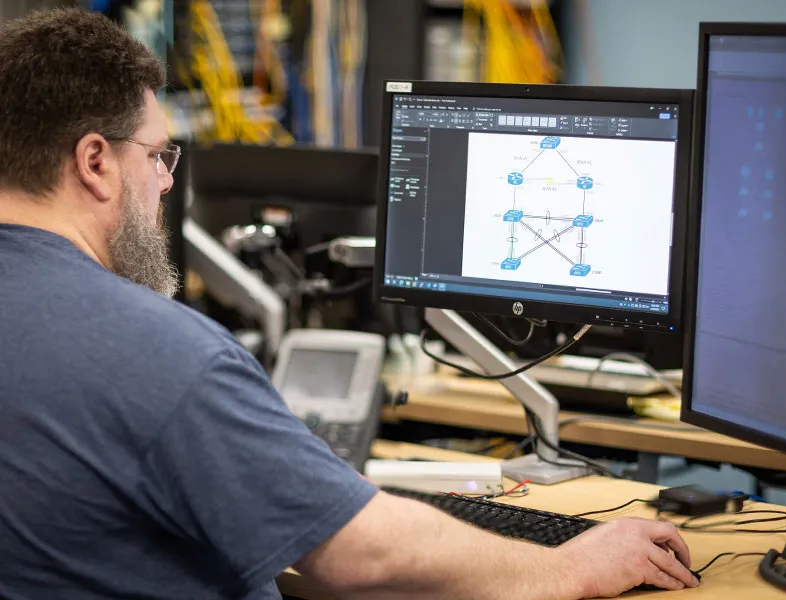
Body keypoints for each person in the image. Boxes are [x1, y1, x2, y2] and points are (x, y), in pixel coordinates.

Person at [0, 8, 699, 600]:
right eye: (157, 157)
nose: (163, 183)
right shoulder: (161, 355)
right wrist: (571, 565)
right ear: (95, 162)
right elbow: (361, 553)